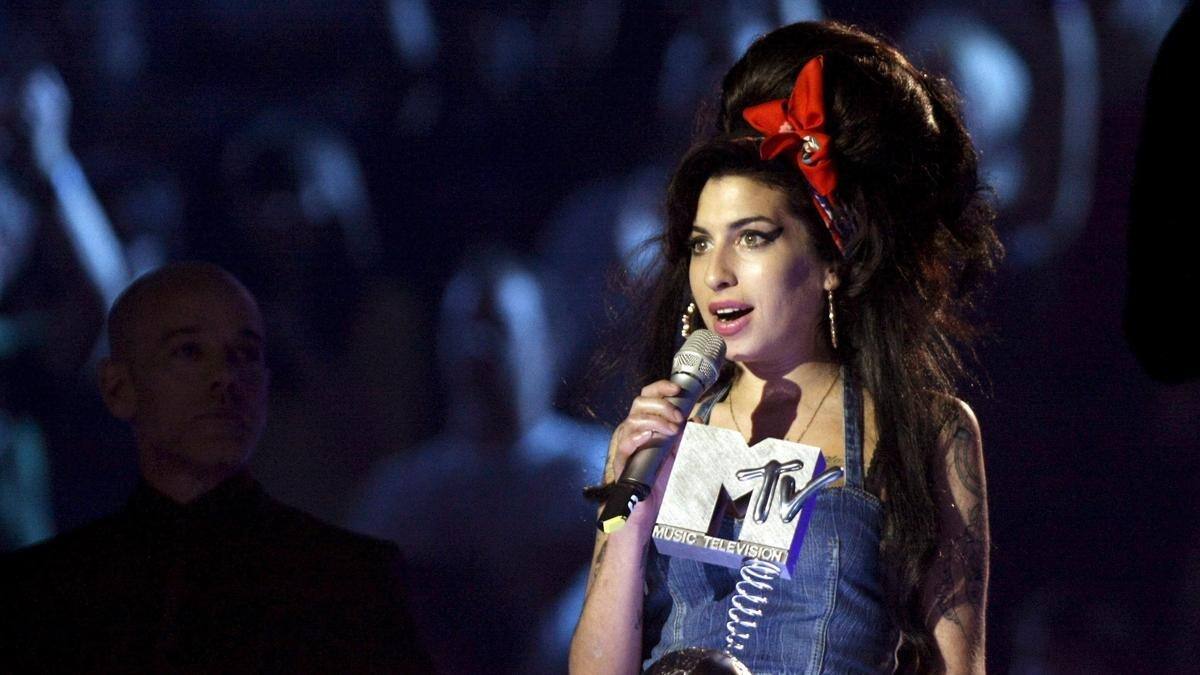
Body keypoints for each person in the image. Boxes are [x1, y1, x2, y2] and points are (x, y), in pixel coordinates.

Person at [570, 21, 1001, 674]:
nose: (717, 273)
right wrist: (625, 512)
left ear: (830, 262)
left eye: (753, 237)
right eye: (701, 243)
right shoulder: (672, 432)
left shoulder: (924, 428)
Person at [0, 262, 429, 672]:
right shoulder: (52, 597)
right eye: (189, 351)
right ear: (118, 387)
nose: (225, 376)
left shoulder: (353, 582)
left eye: (245, 354)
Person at [350, 249, 607, 673]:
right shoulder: (402, 491)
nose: (476, 350)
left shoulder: (604, 473)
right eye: (461, 331)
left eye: (498, 329)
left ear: (549, 343)